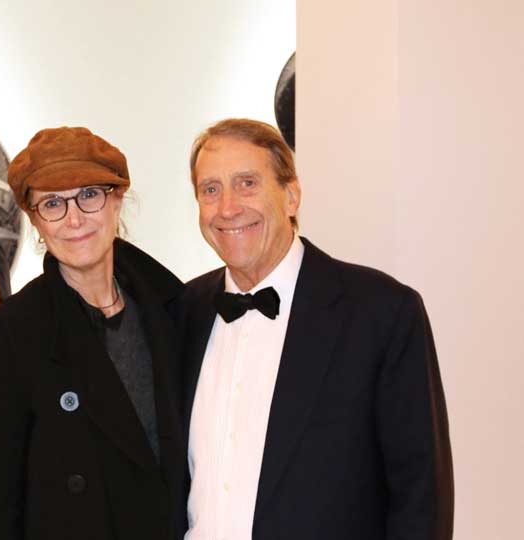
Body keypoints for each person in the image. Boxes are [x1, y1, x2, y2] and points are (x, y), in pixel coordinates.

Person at [179, 118, 453, 540]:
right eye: (210, 189)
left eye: (247, 183)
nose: (227, 207)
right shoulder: (183, 311)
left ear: (291, 196)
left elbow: (420, 497)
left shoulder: (381, 312)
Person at [0, 127, 187, 540]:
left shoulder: (175, 308)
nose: (74, 219)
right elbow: (1, 500)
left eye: (89, 195)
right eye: (53, 203)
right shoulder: (14, 333)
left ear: (117, 199)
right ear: (35, 220)